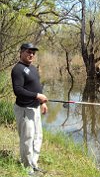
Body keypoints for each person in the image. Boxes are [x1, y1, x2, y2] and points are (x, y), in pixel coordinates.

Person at [11, 43, 48, 176]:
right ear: (21, 52)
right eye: (28, 52)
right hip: (24, 109)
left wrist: (42, 102)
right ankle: (27, 168)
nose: (31, 54)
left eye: (33, 52)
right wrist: (37, 96)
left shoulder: (32, 68)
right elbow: (18, 90)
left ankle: (34, 163)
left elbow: (37, 86)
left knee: (38, 136)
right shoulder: (18, 69)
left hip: (35, 108)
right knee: (27, 138)